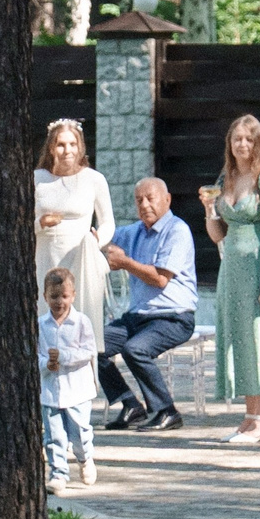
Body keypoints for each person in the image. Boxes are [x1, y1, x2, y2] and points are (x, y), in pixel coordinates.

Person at [200, 114, 260, 443]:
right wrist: (210, 209)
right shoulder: (226, 176)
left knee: (259, 337)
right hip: (232, 268)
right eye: (236, 138)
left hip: (258, 264)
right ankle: (250, 417)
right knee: (240, 338)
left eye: (248, 139)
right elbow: (217, 235)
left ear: (257, 143)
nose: (242, 144)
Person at [99, 177, 198, 431]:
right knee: (90, 344)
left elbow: (160, 279)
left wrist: (125, 262)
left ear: (167, 200)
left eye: (150, 198)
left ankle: (167, 411)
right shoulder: (134, 231)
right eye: (138, 199)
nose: (144, 205)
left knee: (135, 349)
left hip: (174, 316)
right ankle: (130, 405)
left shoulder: (178, 230)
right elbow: (103, 240)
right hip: (138, 317)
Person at [33, 119, 114, 316]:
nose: (67, 150)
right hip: (46, 255)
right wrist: (41, 223)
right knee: (46, 314)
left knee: (80, 315)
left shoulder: (94, 179)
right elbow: (19, 225)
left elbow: (108, 222)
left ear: (80, 147)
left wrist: (97, 240)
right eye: (61, 144)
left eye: (72, 144)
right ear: (51, 147)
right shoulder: (37, 179)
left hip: (81, 255)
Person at [40, 266, 100, 494]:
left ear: (73, 295)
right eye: (54, 296)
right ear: (45, 296)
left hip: (77, 391)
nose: (59, 302)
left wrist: (63, 357)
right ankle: (58, 473)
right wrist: (46, 363)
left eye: (64, 296)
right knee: (54, 435)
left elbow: (88, 351)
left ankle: (85, 459)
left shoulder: (82, 322)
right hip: (50, 390)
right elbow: (34, 354)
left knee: (79, 432)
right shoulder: (40, 325)